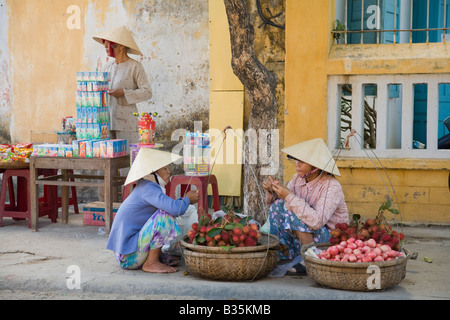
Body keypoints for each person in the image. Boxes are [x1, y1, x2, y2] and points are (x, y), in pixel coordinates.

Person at [106, 148, 199, 273]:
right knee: (165, 215)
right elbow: (175, 209)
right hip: (127, 258)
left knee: (175, 211)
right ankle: (151, 262)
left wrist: (186, 201)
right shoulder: (148, 187)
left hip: (130, 251)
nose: (169, 172)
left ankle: (157, 257)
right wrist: (187, 198)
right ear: (153, 173)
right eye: (165, 169)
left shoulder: (147, 186)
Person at [263, 138, 348, 274]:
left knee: (291, 206)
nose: (297, 164)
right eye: (296, 160)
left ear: (316, 165)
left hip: (328, 240)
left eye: (302, 161)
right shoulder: (297, 179)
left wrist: (289, 196)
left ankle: (310, 260)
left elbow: (316, 221)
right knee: (278, 205)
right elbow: (277, 205)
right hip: (305, 236)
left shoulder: (332, 186)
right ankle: (284, 254)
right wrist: (272, 191)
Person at [93, 25, 153, 143]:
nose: (106, 47)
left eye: (109, 44)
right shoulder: (106, 68)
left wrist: (123, 92)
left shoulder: (135, 67)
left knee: (128, 157)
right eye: (105, 44)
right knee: (110, 159)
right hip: (106, 122)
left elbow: (147, 92)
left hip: (127, 123)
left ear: (121, 46)